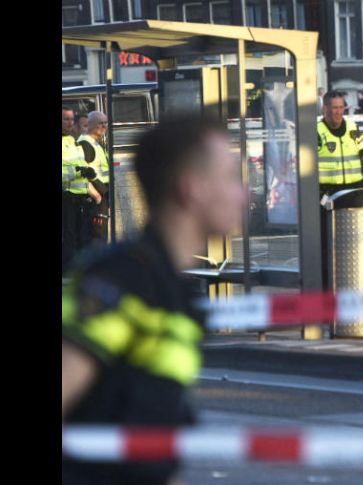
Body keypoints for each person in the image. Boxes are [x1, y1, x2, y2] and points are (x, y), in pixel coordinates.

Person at [62, 118, 247, 484]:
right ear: (192, 189)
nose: (242, 193)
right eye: (229, 178)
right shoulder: (123, 279)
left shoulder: (167, 284)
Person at [318, 91, 363, 286]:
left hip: (354, 195)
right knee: (327, 248)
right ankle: (328, 289)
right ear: (325, 109)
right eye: (334, 108)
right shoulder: (316, 132)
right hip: (327, 197)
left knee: (356, 246)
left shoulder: (353, 129)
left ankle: (355, 286)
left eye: (341, 108)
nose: (338, 112)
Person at [62, 106, 98, 272]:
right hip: (66, 196)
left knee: (79, 235)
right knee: (68, 236)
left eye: (71, 119)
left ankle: (76, 268)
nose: (69, 123)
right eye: (66, 119)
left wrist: (88, 171)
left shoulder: (71, 140)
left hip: (79, 195)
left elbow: (79, 163)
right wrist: (78, 172)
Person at [77, 111, 111, 242]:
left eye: (105, 123)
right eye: (99, 123)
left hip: (101, 195)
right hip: (94, 199)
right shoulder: (85, 144)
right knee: (96, 239)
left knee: (100, 238)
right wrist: (97, 197)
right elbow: (81, 173)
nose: (103, 126)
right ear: (89, 125)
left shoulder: (95, 143)